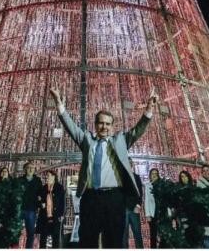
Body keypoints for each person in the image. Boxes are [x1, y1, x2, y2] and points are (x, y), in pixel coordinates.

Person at [49, 88, 157, 249]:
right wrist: (59, 102)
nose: (104, 127)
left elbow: (137, 131)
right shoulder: (87, 140)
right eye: (101, 123)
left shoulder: (120, 140)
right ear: (96, 124)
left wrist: (149, 110)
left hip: (115, 198)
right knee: (87, 241)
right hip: (90, 198)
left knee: (114, 241)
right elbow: (71, 126)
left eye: (108, 124)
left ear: (112, 126)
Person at [37, 170, 66, 248]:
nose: (47, 177)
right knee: (43, 237)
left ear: (53, 176)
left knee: (55, 237)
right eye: (46, 176)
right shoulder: (44, 187)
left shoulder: (59, 187)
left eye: (48, 175)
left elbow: (62, 202)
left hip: (56, 216)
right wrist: (41, 204)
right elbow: (39, 200)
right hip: (45, 216)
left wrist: (62, 214)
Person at [124, 170, 145, 248]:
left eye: (130, 163)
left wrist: (138, 205)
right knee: (124, 235)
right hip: (124, 208)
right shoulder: (120, 176)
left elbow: (140, 192)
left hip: (134, 208)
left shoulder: (136, 177)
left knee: (137, 233)